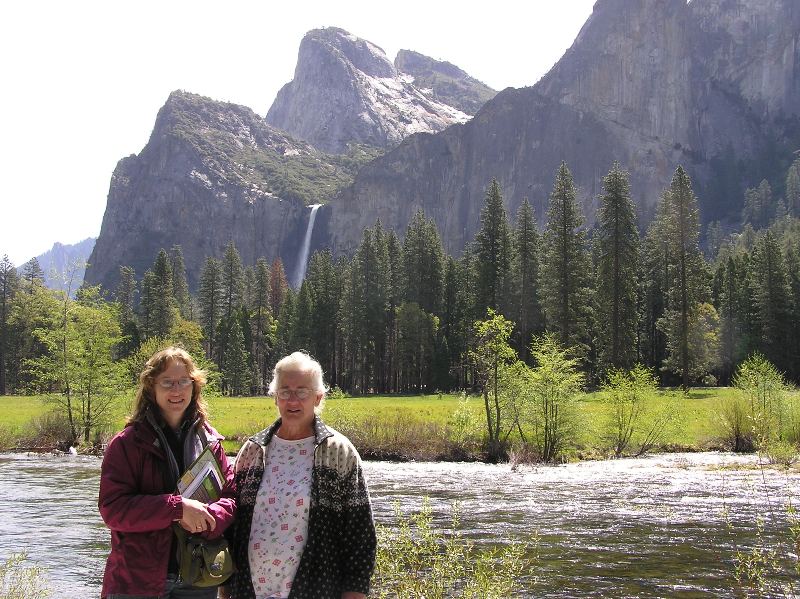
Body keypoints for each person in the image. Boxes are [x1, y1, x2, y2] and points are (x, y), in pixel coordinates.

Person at [223, 351, 376, 599]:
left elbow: (360, 535)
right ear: (275, 398)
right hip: (249, 591)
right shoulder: (253, 450)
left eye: (302, 391)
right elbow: (232, 528)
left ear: (318, 397)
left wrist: (356, 593)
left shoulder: (339, 452)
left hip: (317, 590)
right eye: (285, 391)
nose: (292, 400)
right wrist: (224, 588)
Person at [99, 346, 236, 598]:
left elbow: (230, 497)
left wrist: (208, 517)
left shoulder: (210, 442)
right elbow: (113, 510)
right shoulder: (127, 443)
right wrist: (178, 508)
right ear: (151, 387)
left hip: (199, 576)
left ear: (195, 386)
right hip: (137, 580)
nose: (176, 390)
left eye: (184, 381)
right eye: (167, 382)